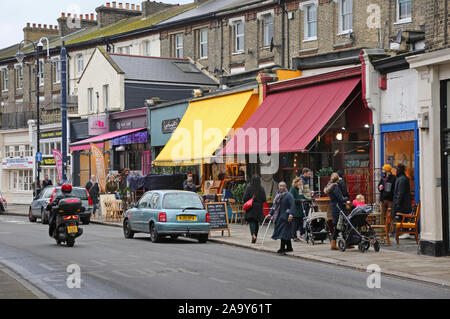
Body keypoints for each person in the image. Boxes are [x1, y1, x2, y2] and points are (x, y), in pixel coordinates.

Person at [324, 173, 350, 250]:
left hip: (334, 207)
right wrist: (347, 199)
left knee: (341, 225)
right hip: (338, 207)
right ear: (337, 179)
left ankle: (345, 242)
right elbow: (340, 199)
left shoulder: (330, 185)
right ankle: (334, 243)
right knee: (338, 225)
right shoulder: (335, 187)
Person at [269, 182, 295, 255]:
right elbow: (274, 206)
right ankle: (289, 247)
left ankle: (282, 248)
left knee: (283, 233)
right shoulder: (278, 195)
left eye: (283, 186)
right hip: (279, 217)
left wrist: (291, 214)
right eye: (280, 186)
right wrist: (270, 214)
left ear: (286, 187)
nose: (282, 187)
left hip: (286, 217)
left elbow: (292, 205)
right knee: (284, 232)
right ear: (278, 187)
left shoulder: (289, 195)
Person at [243, 175, 267, 244]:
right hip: (259, 207)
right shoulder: (261, 188)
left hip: (251, 206)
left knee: (251, 221)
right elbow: (264, 199)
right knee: (256, 222)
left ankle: (253, 235)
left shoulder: (249, 187)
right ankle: (255, 235)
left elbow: (245, 198)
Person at [392, 163, 412, 238]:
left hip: (403, 204)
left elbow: (401, 192)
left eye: (397, 169)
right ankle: (405, 232)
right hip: (403, 203)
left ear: (399, 170)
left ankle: (406, 232)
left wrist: (398, 204)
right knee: (401, 218)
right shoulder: (401, 178)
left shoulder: (402, 179)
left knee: (403, 218)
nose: (395, 171)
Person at [378, 164, 396, 230]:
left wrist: (390, 192)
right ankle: (385, 228)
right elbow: (379, 185)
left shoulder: (393, 178)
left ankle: (391, 229)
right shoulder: (383, 178)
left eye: (384, 170)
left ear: (387, 170)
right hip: (383, 199)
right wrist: (380, 187)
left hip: (390, 199)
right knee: (383, 214)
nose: (383, 171)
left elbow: (394, 188)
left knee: (390, 214)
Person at [290, 177, 306, 242]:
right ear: (296, 182)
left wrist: (308, 199)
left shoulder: (300, 189)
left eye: (301, 182)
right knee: (295, 224)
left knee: (300, 223)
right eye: (300, 182)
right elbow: (292, 199)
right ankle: (294, 236)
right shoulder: (293, 189)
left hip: (300, 209)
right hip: (295, 209)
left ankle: (296, 235)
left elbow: (302, 196)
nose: (301, 183)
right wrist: (300, 200)